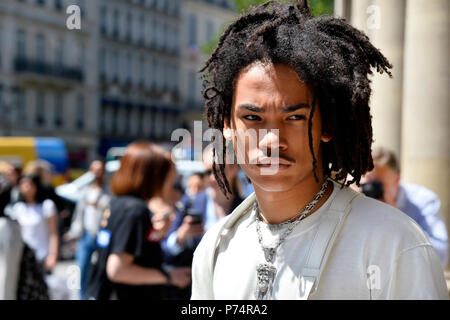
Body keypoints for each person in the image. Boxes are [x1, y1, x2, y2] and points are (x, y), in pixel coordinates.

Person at [191, 0, 448, 299]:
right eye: (252, 118)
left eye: (295, 117)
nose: (272, 140)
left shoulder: (393, 243)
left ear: (325, 126)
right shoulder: (216, 248)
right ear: (228, 126)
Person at [85, 142, 191, 300]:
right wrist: (169, 276)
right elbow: (118, 270)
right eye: (163, 174)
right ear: (151, 176)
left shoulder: (118, 203)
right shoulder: (135, 209)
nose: (168, 181)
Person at [163, 148, 243, 299]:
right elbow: (166, 248)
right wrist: (180, 237)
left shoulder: (246, 207)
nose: (212, 178)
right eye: (207, 172)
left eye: (219, 170)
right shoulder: (190, 202)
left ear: (234, 168)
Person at [359, 147, 449, 267]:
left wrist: (400, 219)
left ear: (397, 179)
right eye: (367, 185)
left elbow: (441, 257)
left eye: (377, 185)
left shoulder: (423, 201)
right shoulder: (357, 201)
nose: (371, 190)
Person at [64, 160, 110, 300]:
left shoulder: (108, 190)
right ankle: (81, 296)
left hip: (102, 233)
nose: (97, 173)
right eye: (94, 170)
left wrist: (99, 205)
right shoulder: (86, 190)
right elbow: (78, 211)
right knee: (82, 267)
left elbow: (110, 208)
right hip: (85, 234)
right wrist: (73, 231)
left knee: (101, 268)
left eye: (99, 170)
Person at [10, 174, 59, 274]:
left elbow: (53, 233)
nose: (27, 188)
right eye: (23, 184)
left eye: (30, 184)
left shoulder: (46, 206)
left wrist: (53, 254)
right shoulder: (18, 208)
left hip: (42, 255)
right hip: (24, 257)